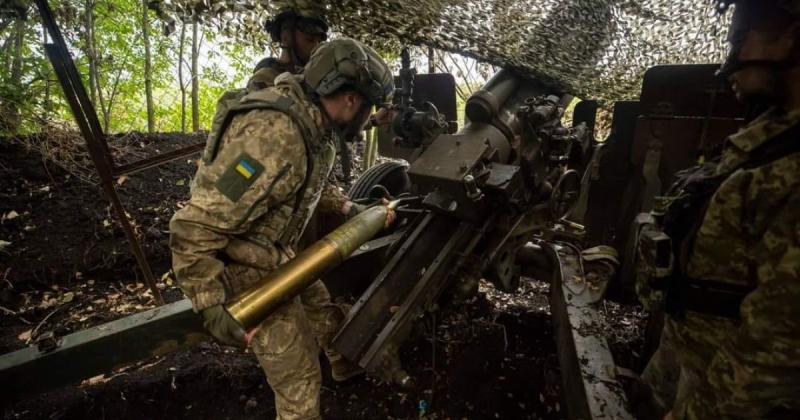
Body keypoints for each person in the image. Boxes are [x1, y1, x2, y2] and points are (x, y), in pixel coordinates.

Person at [170, 38, 395, 420]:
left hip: (273, 252)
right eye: (368, 106)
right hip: (244, 269)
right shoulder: (274, 136)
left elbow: (305, 185)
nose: (367, 115)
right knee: (300, 380)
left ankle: (344, 365)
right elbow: (194, 226)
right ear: (351, 100)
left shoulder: (313, 124)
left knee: (322, 307)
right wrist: (211, 306)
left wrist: (350, 207)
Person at [636, 1, 800, 418]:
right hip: (689, 350)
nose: (727, 66)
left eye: (741, 37)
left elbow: (776, 355)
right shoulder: (770, 136)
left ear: (792, 37)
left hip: (724, 390)